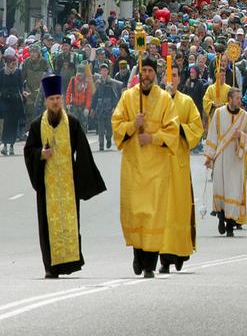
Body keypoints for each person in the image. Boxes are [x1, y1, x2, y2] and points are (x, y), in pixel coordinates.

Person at [23, 74, 106, 278]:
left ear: (61, 99)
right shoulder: (36, 125)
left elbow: (83, 152)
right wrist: (40, 154)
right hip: (47, 184)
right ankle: (50, 268)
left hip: (68, 184)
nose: (55, 102)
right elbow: (28, 150)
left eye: (58, 99)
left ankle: (68, 264)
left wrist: (81, 178)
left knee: (70, 223)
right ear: (46, 101)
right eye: (52, 99)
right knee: (47, 225)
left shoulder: (73, 123)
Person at [111, 56, 179, 278]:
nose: (147, 74)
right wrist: (133, 125)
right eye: (144, 71)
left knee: (153, 215)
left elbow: (172, 130)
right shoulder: (128, 97)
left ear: (155, 74)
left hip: (157, 168)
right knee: (137, 214)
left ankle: (150, 264)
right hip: (134, 166)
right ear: (140, 74)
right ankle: (138, 255)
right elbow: (117, 125)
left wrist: (152, 137)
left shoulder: (165, 99)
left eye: (150, 70)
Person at [160, 64, 204, 271]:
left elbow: (197, 128)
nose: (171, 80)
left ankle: (180, 252)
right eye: (168, 76)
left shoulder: (186, 102)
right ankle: (163, 257)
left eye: (175, 76)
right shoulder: (156, 101)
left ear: (179, 79)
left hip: (178, 164)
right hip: (159, 164)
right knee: (161, 211)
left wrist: (179, 128)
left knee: (179, 210)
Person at [204, 87, 247, 237]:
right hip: (221, 157)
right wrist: (209, 156)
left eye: (240, 98)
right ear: (230, 99)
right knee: (220, 188)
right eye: (237, 98)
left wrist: (242, 136)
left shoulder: (245, 117)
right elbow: (212, 134)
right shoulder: (219, 114)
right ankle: (221, 217)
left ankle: (231, 225)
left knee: (234, 189)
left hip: (236, 159)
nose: (240, 101)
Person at [91, 62, 122, 151]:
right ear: (100, 72)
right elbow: (95, 96)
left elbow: (115, 96)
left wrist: (114, 107)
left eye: (105, 70)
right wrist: (93, 108)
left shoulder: (111, 82)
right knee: (100, 128)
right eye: (102, 70)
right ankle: (101, 145)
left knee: (109, 128)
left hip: (109, 107)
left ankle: (108, 139)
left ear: (108, 71)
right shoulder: (98, 83)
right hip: (100, 108)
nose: (104, 72)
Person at [0, 48, 26, 155]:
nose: (13, 65)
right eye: (12, 63)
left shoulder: (18, 72)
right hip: (5, 101)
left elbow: (21, 86)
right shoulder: (1, 73)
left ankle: (11, 146)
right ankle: (5, 145)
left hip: (15, 101)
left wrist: (23, 93)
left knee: (14, 123)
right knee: (6, 124)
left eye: (15, 63)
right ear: (7, 63)